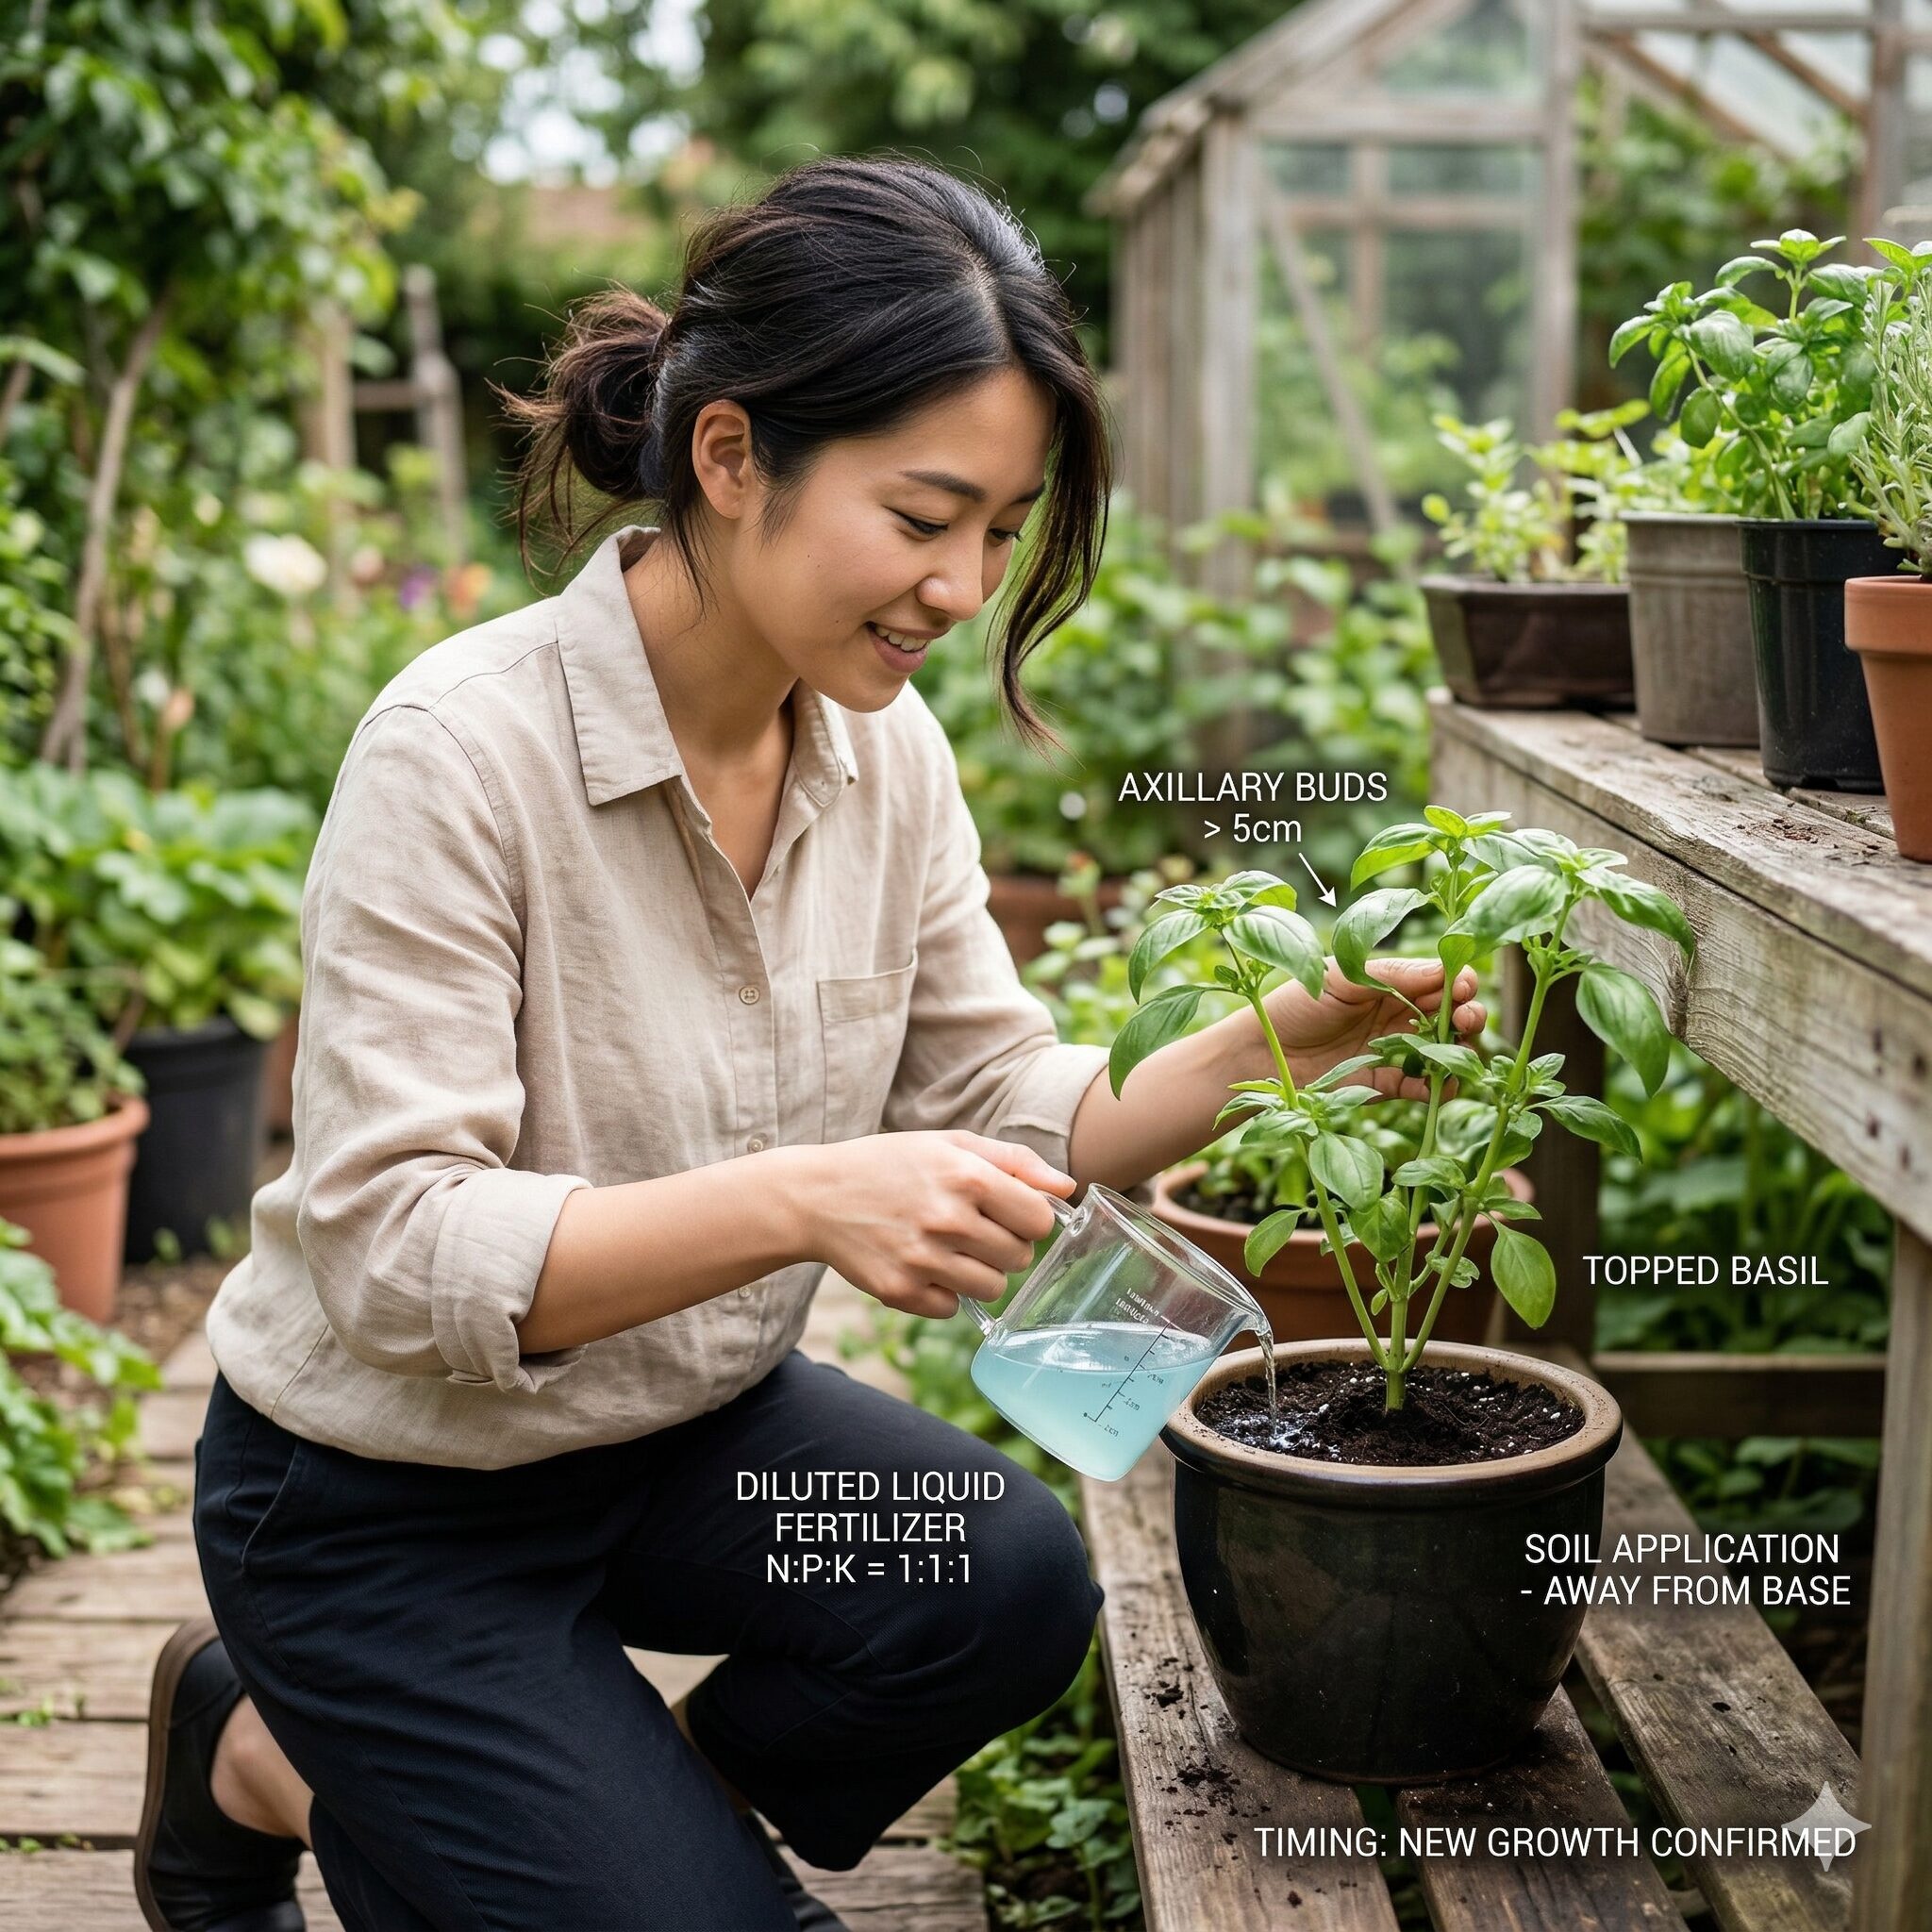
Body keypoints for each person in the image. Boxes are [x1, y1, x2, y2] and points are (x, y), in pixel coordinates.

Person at [135, 156, 1484, 1932]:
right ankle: (336, 1754)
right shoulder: (457, 754)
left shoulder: (885, 755)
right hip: (386, 1500)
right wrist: (802, 1197)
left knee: (996, 1586)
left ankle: (392, 1794)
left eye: (1001, 532)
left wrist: (1284, 1038)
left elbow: (1007, 1097)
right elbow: (394, 1254)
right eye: (925, 516)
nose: (963, 586)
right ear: (730, 456)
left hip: (682, 1443)